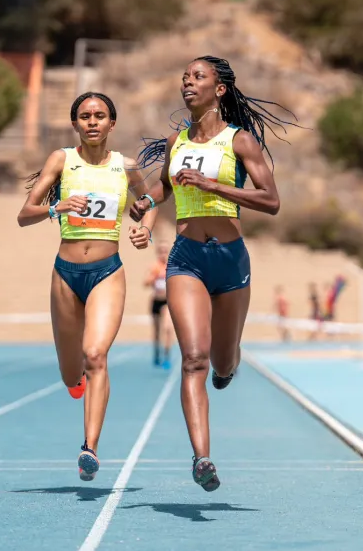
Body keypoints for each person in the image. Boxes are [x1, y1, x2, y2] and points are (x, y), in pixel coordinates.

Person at [130, 55, 297, 492]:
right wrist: (147, 203)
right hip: (186, 258)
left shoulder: (239, 142)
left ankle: (229, 365)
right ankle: (202, 457)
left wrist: (214, 186)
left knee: (223, 361)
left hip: (230, 259)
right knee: (193, 358)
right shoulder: (175, 141)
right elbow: (165, 183)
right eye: (184, 77)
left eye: (198, 77)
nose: (188, 82)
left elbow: (271, 200)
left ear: (219, 88)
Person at [17, 91, 158, 482]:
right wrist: (55, 207)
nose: (92, 121)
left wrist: (144, 229)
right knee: (70, 372)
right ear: (75, 123)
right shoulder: (62, 161)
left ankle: (89, 448)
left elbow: (149, 201)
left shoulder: (125, 167)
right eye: (85, 116)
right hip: (65, 274)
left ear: (112, 123)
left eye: (100, 116)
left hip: (107, 272)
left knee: (95, 354)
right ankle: (74, 383)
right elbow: (23, 215)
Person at [145, 242, 174, 369]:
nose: (163, 254)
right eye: (161, 251)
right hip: (156, 301)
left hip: (167, 302)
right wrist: (155, 277)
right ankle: (157, 354)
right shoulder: (155, 267)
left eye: (165, 251)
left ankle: (167, 356)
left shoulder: (172, 267)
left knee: (167, 328)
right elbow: (145, 283)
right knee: (157, 331)